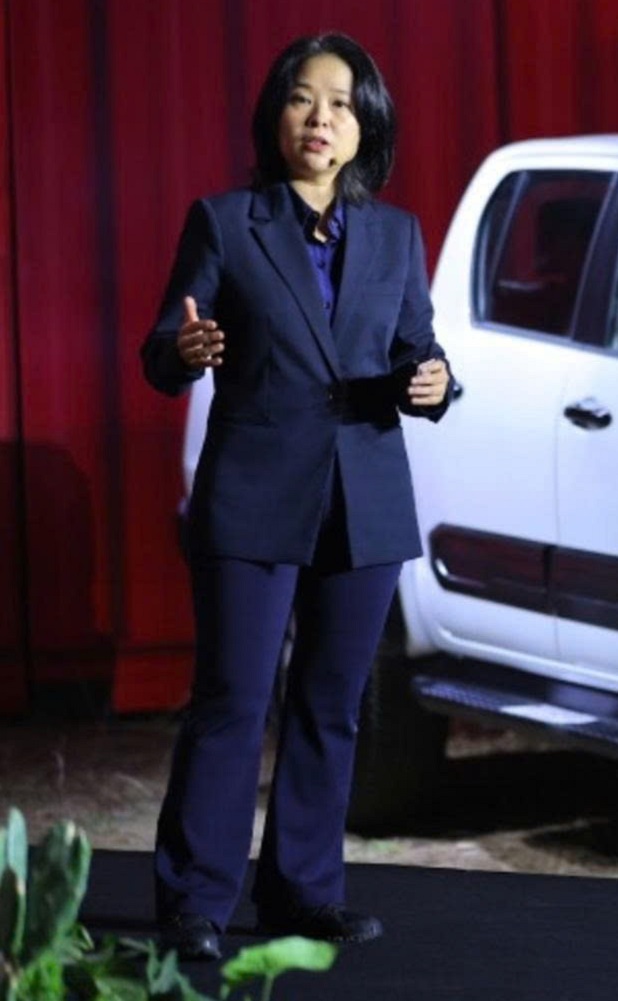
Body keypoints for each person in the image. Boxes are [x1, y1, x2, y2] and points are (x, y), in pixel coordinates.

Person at [140, 32, 451, 961]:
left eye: (342, 104)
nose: (321, 118)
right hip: (253, 495)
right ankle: (194, 900)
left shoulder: (396, 235)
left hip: (365, 495)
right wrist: (184, 350)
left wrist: (436, 381)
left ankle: (303, 891)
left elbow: (419, 349)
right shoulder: (225, 222)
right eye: (303, 99)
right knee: (233, 700)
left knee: (331, 704)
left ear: (366, 127)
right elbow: (163, 346)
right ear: (276, 116)